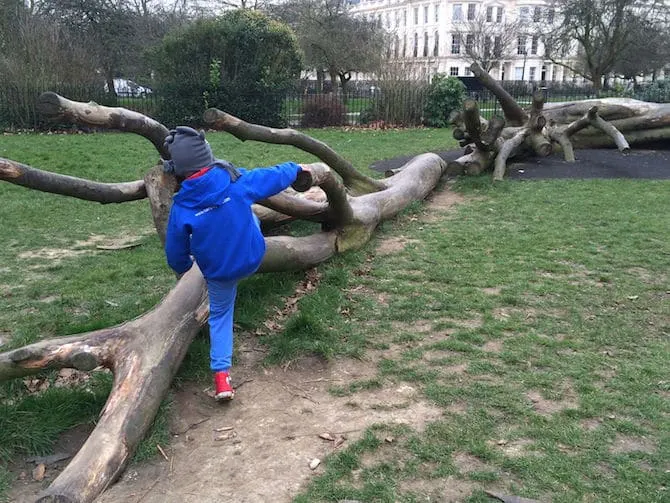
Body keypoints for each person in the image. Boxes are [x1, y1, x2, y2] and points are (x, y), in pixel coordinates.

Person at [162, 126, 308, 401]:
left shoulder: (181, 207)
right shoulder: (234, 180)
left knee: (220, 316)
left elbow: (175, 254)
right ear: (207, 157)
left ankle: (222, 378)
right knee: (249, 216)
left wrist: (185, 269)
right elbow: (273, 176)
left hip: (219, 272)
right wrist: (295, 167)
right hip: (253, 254)